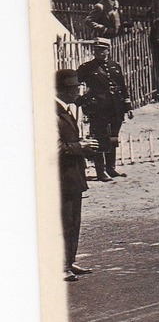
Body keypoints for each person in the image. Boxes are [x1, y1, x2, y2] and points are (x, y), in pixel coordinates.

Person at [56, 69, 96, 281]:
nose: (76, 92)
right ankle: (62, 266)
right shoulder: (51, 112)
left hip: (73, 175)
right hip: (61, 178)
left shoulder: (67, 109)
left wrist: (85, 148)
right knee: (64, 221)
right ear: (62, 90)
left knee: (73, 220)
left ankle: (69, 261)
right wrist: (79, 146)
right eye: (73, 88)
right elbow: (53, 148)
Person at [78, 38, 132, 181]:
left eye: (103, 50)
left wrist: (127, 106)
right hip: (98, 108)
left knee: (113, 137)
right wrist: (83, 100)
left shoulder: (115, 66)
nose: (100, 52)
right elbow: (76, 84)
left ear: (108, 50)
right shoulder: (86, 68)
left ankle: (111, 168)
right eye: (97, 50)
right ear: (94, 51)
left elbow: (122, 86)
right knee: (98, 139)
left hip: (115, 107)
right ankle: (100, 171)